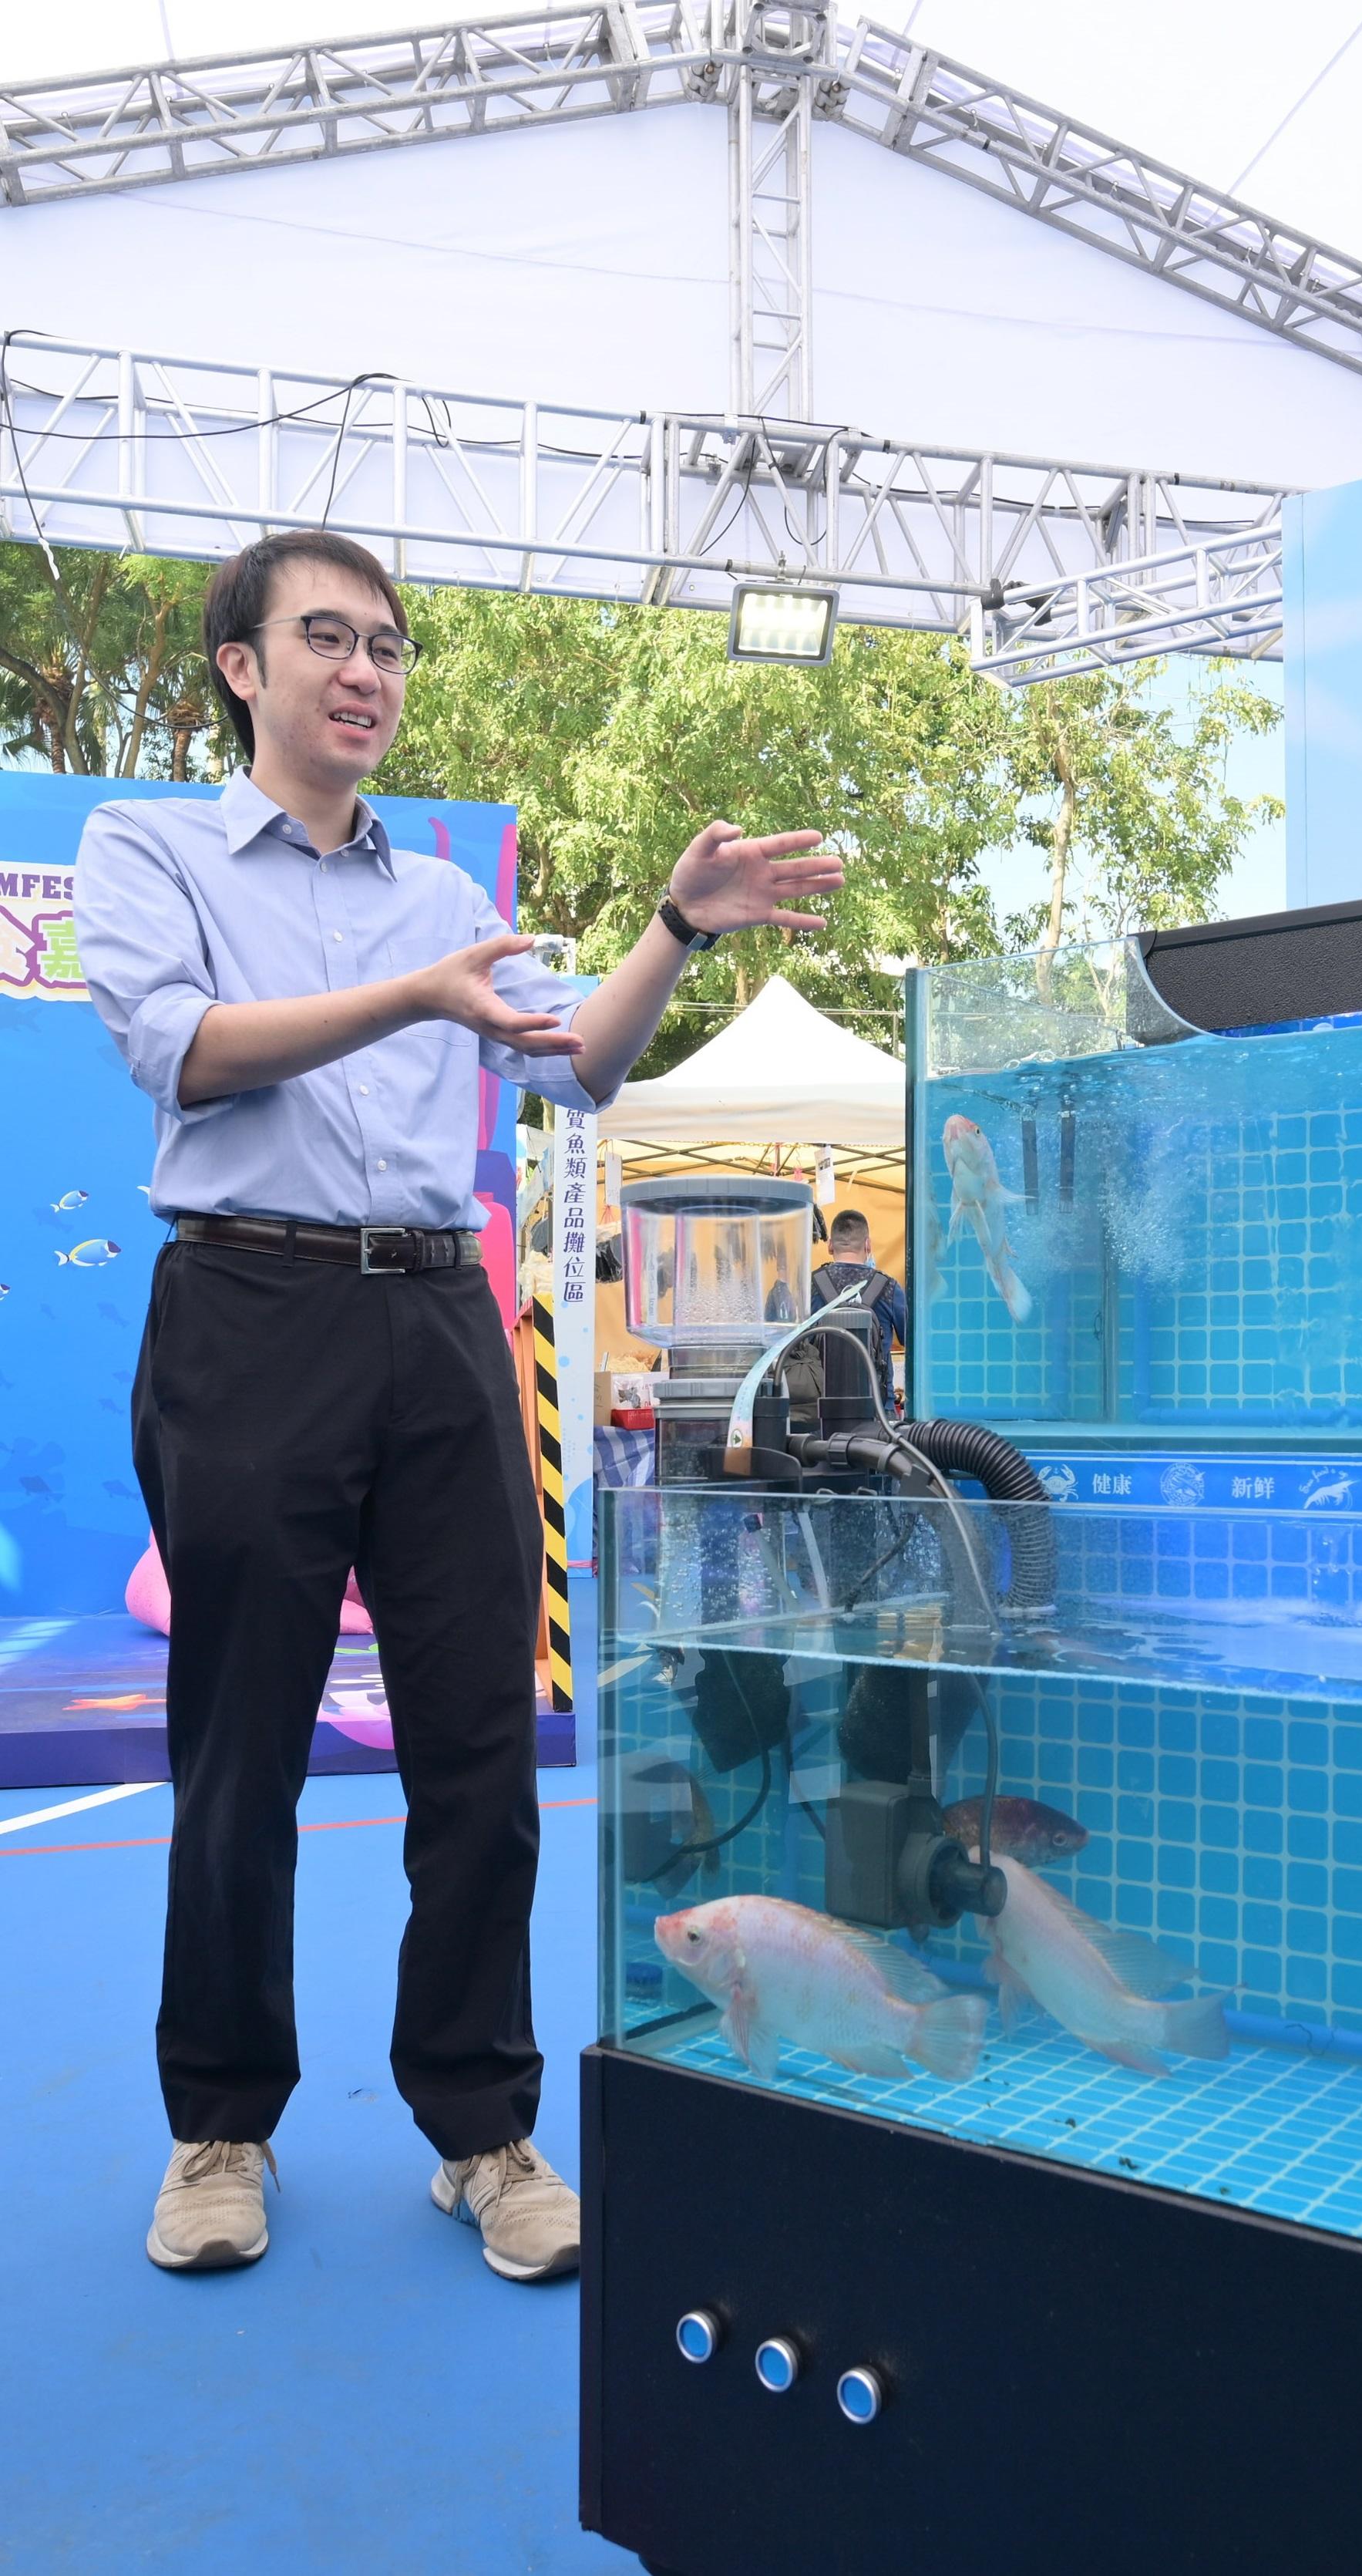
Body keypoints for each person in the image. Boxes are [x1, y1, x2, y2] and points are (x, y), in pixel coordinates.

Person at [77, 530, 842, 2283]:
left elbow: (577, 1062)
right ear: (240, 667)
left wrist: (668, 926)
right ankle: (219, 2129)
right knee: (238, 1749)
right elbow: (184, 1049)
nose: (366, 671)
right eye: (327, 638)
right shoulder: (152, 851)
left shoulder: (443, 898)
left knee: (484, 1753)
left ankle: (485, 2131)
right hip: (243, 1307)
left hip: (436, 1325)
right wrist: (411, 1002)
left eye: (392, 646)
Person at [809, 1206, 908, 1413]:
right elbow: (912, 1341)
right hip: (878, 1408)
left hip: (822, 1407)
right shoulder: (889, 1287)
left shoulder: (810, 1285)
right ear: (868, 1245)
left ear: (829, 1246)